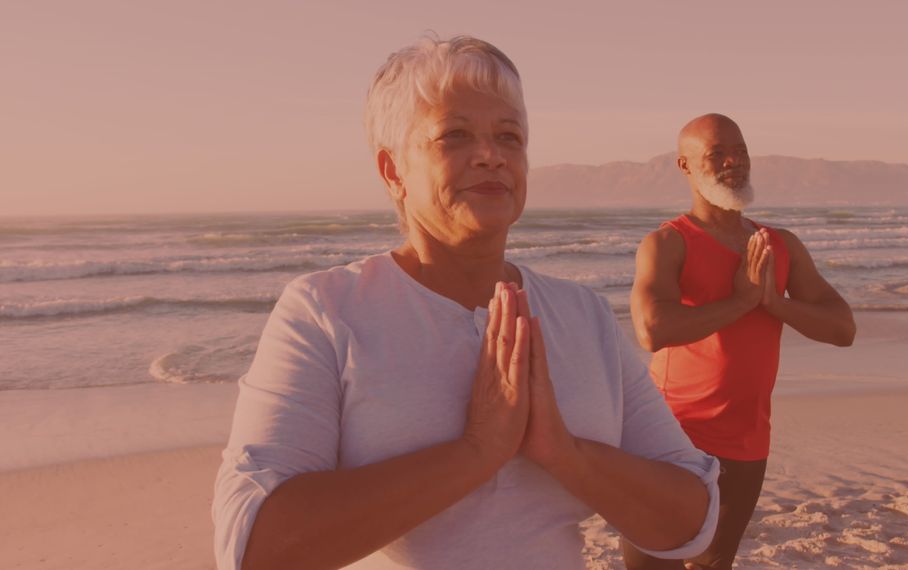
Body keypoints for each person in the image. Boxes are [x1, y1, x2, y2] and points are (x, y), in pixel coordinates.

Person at [212, 36, 721, 570]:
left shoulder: (582, 315)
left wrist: (564, 453)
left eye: (510, 136)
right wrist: (477, 451)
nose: (492, 155)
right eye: (454, 135)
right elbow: (254, 548)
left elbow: (692, 522)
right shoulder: (327, 311)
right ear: (392, 171)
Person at [624, 114, 857, 570]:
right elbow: (652, 329)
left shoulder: (778, 244)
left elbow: (842, 328)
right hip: (672, 433)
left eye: (741, 151)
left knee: (715, 563)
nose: (734, 162)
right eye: (716, 154)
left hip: (747, 437)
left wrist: (775, 303)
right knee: (653, 563)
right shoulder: (669, 243)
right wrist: (741, 301)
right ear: (685, 166)